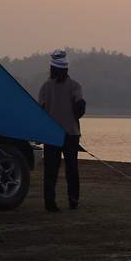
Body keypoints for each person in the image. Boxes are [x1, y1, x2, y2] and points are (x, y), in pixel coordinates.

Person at [38, 50, 86, 212]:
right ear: (66, 69)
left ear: (52, 68)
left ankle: (50, 203)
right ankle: (73, 201)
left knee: (50, 171)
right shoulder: (75, 86)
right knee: (71, 169)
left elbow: (41, 111)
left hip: (51, 134)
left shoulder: (45, 87)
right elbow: (80, 108)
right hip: (71, 134)